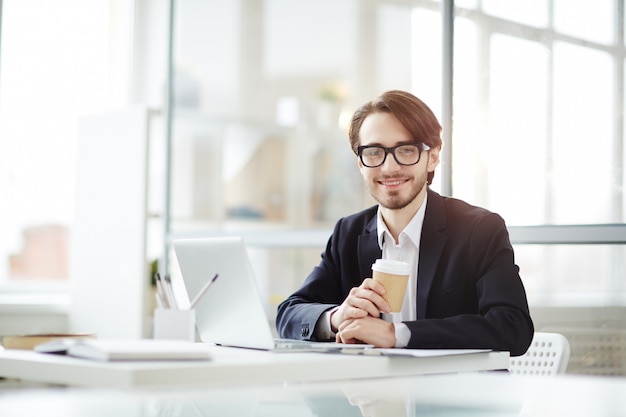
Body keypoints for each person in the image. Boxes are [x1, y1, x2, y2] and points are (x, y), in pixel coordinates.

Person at [276, 90, 534, 356]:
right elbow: (289, 314)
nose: (389, 168)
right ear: (361, 163)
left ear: (433, 156)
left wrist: (396, 334)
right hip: (370, 394)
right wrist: (336, 317)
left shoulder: (479, 230)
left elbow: (512, 327)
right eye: (374, 152)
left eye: (406, 150)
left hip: (460, 393)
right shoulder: (348, 233)